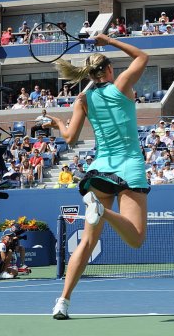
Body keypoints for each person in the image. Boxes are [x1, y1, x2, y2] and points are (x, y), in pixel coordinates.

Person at [49, 34, 149, 319]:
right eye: (111, 67)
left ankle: (62, 302)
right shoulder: (122, 87)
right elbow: (142, 57)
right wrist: (109, 39)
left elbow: (70, 138)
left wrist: (58, 123)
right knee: (136, 239)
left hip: (100, 170)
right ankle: (102, 211)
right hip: (129, 168)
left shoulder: (83, 99)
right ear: (106, 70)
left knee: (86, 243)